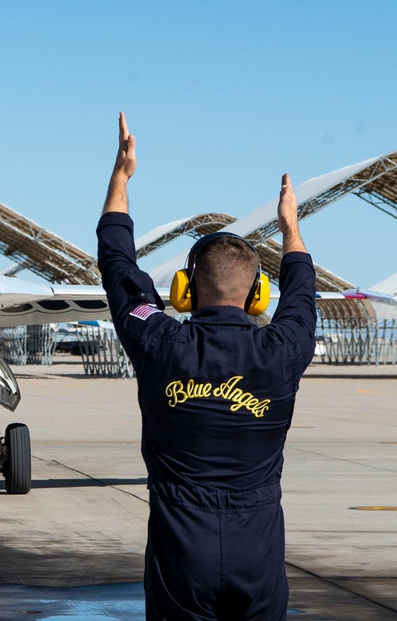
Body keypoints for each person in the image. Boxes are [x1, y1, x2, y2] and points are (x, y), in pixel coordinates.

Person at [97, 113, 317, 619]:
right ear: (259, 296)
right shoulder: (282, 350)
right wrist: (291, 230)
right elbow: (302, 294)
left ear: (184, 291)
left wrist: (120, 179)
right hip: (258, 557)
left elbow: (119, 267)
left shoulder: (160, 342)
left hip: (181, 556)